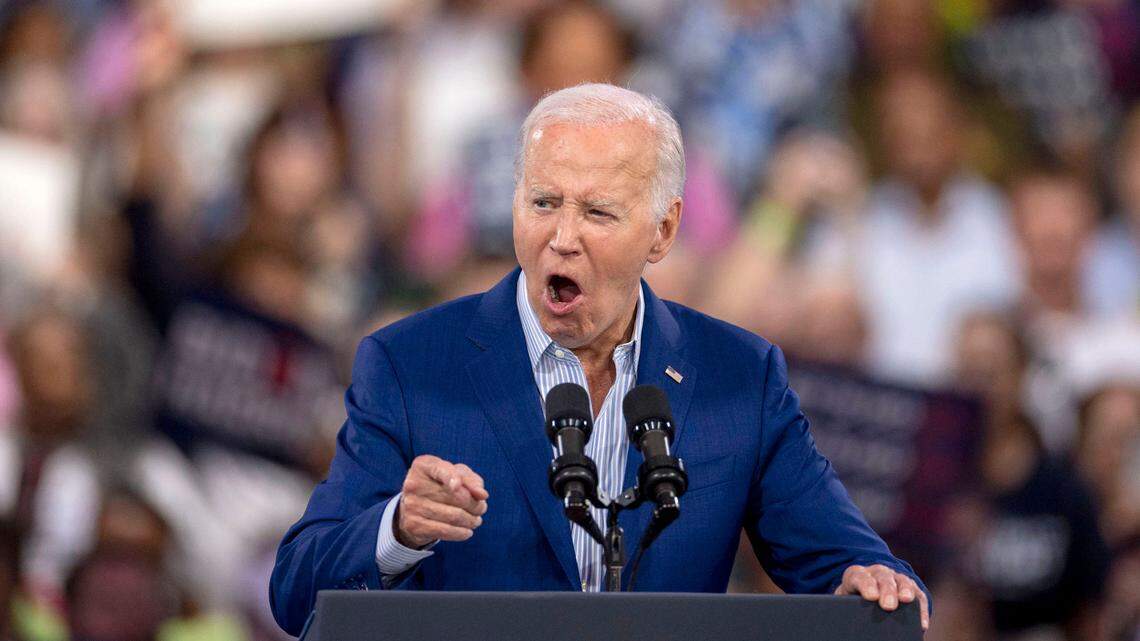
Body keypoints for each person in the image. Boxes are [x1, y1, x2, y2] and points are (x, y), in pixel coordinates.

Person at [269, 84, 929, 635]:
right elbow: (297, 591)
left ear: (663, 231)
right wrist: (399, 529)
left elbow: (849, 559)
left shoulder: (739, 376)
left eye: (598, 213)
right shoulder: (411, 364)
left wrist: (869, 578)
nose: (561, 238)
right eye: (544, 203)